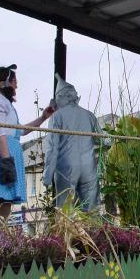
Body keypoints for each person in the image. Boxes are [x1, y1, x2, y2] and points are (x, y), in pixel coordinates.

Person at [0, 64, 54, 223]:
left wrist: (43, 118)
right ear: (2, 83)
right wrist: (6, 162)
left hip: (5, 153)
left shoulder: (4, 102)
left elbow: (19, 131)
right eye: (13, 80)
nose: (16, 84)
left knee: (5, 199)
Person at [43, 74, 101, 211]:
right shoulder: (89, 115)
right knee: (91, 211)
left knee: (65, 212)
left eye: (57, 97)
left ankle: (68, 233)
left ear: (64, 97)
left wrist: (47, 175)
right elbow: (103, 139)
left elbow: (52, 148)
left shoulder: (57, 116)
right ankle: (94, 233)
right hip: (89, 168)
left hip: (66, 169)